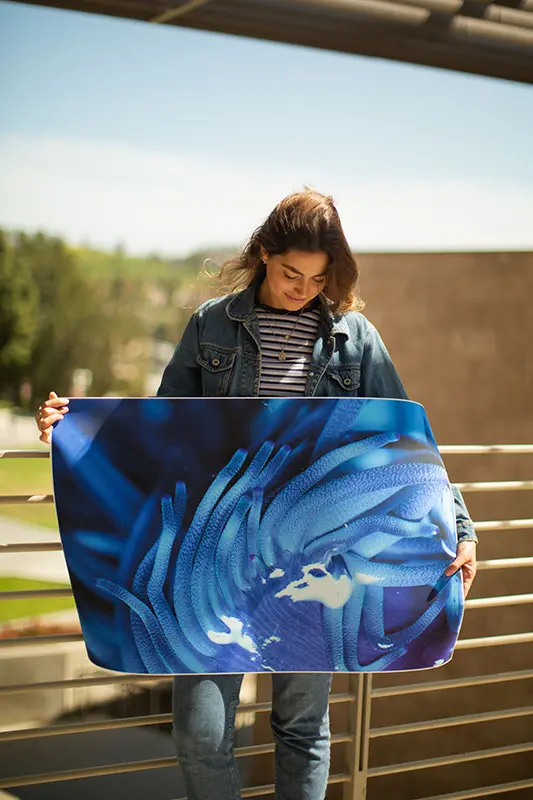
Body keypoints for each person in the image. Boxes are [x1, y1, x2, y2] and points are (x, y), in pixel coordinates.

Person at [36, 189, 478, 800]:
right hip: (209, 552)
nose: (303, 289)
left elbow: (407, 444)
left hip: (319, 555)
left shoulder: (355, 337)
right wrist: (72, 428)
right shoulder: (211, 325)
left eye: (318, 278)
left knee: (302, 726)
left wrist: (461, 529)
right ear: (265, 253)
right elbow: (157, 428)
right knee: (199, 732)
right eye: (293, 273)